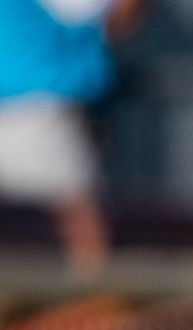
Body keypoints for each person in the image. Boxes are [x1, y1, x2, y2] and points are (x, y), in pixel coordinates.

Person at [0, 0, 149, 270]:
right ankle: (98, 299)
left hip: (30, 108)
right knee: (81, 225)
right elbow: (116, 21)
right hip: (35, 112)